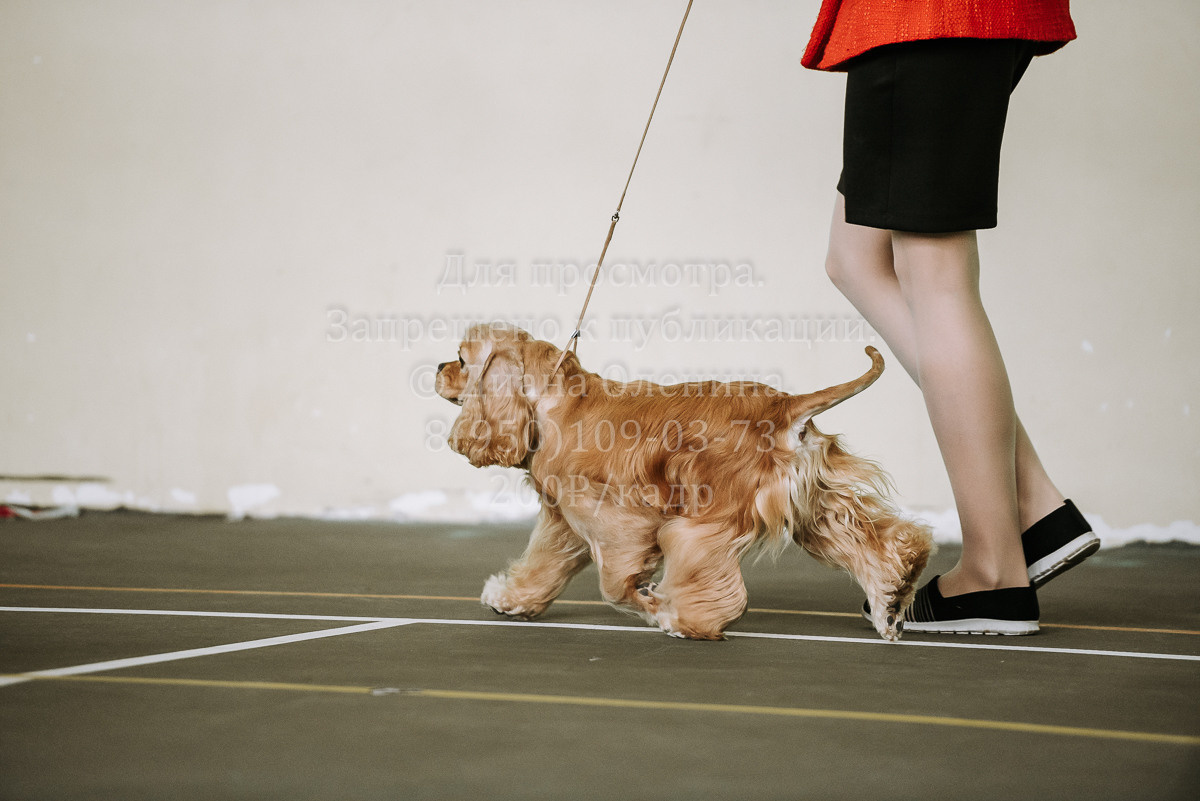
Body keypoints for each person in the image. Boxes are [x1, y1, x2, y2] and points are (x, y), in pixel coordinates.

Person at [802, 0, 1099, 634]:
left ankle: (994, 575)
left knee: (935, 273)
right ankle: (1033, 508)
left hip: (926, 17)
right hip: (957, 19)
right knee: (855, 258)